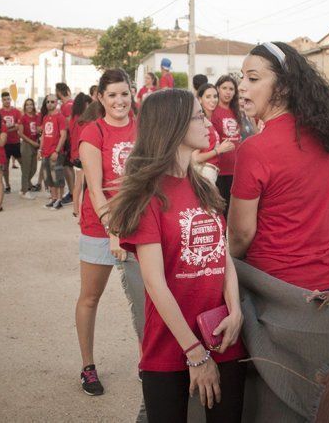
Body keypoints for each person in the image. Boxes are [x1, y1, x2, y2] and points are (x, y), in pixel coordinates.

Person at [110, 89, 245, 421]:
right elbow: (154, 284)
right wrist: (194, 353)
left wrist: (237, 310)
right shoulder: (148, 196)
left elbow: (221, 255)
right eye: (198, 115)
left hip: (222, 338)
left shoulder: (205, 187)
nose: (207, 122)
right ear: (173, 125)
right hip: (170, 348)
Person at [228, 41, 329, 292]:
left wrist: (226, 266)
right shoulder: (327, 136)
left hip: (281, 289)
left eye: (253, 79)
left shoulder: (255, 149)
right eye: (241, 77)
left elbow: (241, 234)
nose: (241, 86)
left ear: (284, 87)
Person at [74, 69, 136, 396]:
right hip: (101, 227)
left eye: (124, 93)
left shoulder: (143, 129)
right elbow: (96, 190)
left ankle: (154, 363)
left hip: (139, 226)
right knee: (91, 297)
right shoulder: (92, 132)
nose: (119, 101)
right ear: (100, 97)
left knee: (151, 297)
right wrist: (114, 231)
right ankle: (87, 367)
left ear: (132, 94)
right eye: (112, 95)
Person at [211, 75, 243, 213]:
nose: (228, 92)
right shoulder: (212, 111)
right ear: (217, 89)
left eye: (231, 89)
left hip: (236, 168)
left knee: (233, 209)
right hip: (219, 170)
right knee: (221, 209)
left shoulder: (237, 112)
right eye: (224, 88)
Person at [193, 84, 234, 181]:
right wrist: (218, 150)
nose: (213, 100)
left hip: (211, 172)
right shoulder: (200, 121)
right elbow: (195, 158)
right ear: (200, 99)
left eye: (215, 96)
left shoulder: (208, 121)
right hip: (203, 172)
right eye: (208, 97)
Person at [38, 95, 68, 209]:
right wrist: (40, 149)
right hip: (45, 152)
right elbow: (44, 135)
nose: (49, 104)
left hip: (55, 152)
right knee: (48, 177)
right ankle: (54, 198)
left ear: (56, 103)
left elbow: (63, 136)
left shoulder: (60, 117)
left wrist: (56, 151)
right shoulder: (45, 117)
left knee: (57, 177)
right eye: (47, 102)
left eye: (52, 102)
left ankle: (59, 200)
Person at [67, 93, 94, 217]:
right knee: (83, 184)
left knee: (78, 183)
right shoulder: (84, 121)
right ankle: (80, 210)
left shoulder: (73, 118)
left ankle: (75, 209)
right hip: (82, 154)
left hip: (75, 154)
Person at [56, 82, 76, 206]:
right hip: (71, 139)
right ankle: (73, 191)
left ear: (58, 92)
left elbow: (68, 123)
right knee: (69, 167)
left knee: (66, 167)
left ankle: (72, 192)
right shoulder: (72, 103)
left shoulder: (66, 106)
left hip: (68, 140)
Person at [0, 92, 23, 194]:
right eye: (5, 99)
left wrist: (6, 129)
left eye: (8, 99)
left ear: (10, 100)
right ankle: (8, 185)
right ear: (2, 100)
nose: (7, 101)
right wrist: (12, 127)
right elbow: (0, 127)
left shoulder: (16, 111)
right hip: (5, 143)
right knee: (5, 166)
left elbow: (18, 126)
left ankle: (25, 184)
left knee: (23, 164)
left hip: (16, 142)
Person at [18, 98, 40, 199]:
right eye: (27, 105)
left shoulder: (37, 117)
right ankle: (25, 191)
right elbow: (20, 133)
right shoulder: (23, 118)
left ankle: (23, 187)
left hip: (36, 144)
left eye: (31, 104)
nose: (29, 106)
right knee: (26, 169)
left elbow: (39, 129)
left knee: (34, 168)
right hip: (27, 145)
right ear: (25, 106)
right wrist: (32, 142)